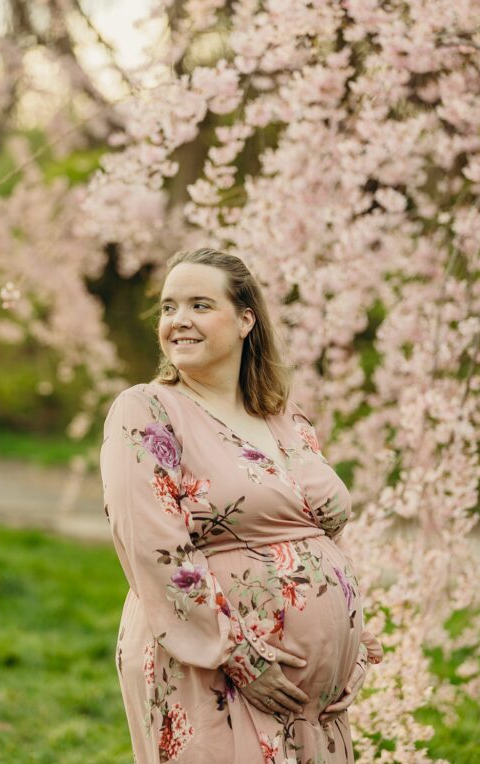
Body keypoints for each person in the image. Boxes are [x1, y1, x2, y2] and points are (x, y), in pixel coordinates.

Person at [100, 249, 382, 762]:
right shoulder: (146, 411)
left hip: (317, 710)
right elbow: (154, 548)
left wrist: (354, 642)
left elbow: (323, 537)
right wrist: (243, 659)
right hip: (215, 673)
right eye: (168, 307)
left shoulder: (285, 420)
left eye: (200, 305)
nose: (178, 320)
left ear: (246, 319)